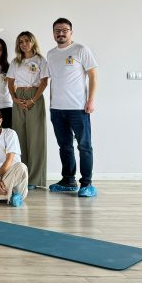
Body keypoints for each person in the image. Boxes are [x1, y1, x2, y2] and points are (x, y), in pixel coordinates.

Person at [47, 18, 98, 197]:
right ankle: (68, 181)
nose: (61, 33)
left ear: (71, 32)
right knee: (65, 146)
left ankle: (87, 184)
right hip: (57, 109)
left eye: (64, 30)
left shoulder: (81, 50)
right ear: (53, 33)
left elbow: (93, 75)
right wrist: (51, 103)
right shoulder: (51, 54)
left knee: (84, 146)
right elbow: (53, 79)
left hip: (78, 108)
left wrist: (91, 100)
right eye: (57, 31)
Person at [7, 31, 48, 189]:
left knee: (36, 138)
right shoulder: (15, 62)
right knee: (19, 136)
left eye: (27, 41)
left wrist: (33, 100)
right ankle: (21, 176)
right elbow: (10, 82)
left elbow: (44, 82)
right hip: (18, 97)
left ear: (33, 42)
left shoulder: (40, 60)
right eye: (21, 42)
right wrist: (15, 99)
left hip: (35, 96)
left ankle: (35, 179)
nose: (24, 44)